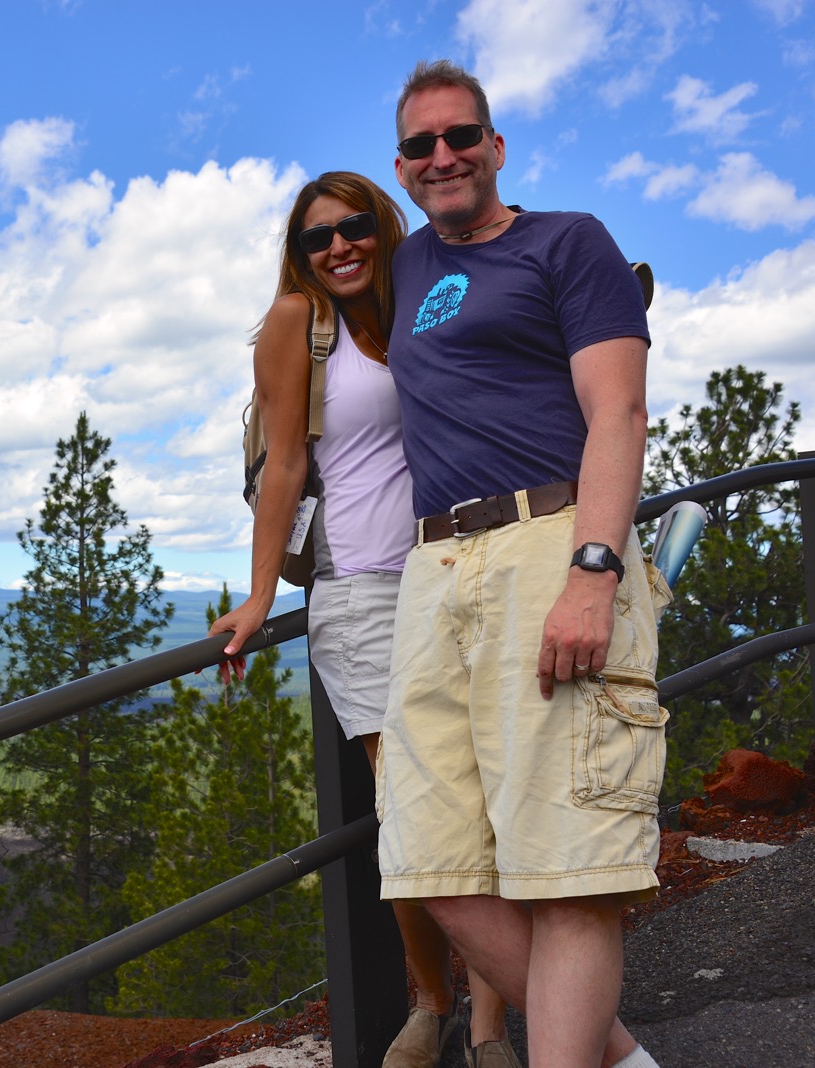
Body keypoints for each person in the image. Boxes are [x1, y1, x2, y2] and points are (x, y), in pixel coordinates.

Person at [378, 60, 668, 1068]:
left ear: (495, 147)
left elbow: (618, 412)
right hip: (435, 569)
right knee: (436, 863)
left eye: (462, 137)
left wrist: (593, 570)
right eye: (422, 145)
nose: (444, 156)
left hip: (549, 542)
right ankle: (618, 1058)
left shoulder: (567, 241)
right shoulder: (407, 268)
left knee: (568, 867)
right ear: (403, 167)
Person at [211, 170, 516, 1068]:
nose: (337, 247)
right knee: (415, 816)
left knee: (489, 801)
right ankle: (430, 1001)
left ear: (384, 229)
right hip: (356, 591)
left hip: (458, 566)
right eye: (317, 237)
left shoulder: (428, 300)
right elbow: (285, 466)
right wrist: (263, 593)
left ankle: (491, 1021)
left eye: (352, 228)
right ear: (299, 255)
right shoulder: (295, 327)